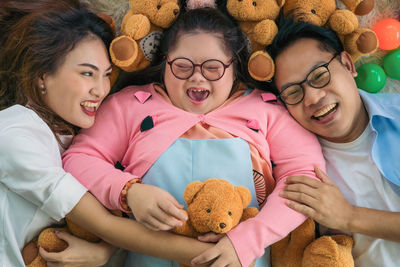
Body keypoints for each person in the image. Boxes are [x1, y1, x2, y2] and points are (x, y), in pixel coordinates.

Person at [63, 8, 326, 267]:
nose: (197, 76)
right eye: (182, 66)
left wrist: (250, 239)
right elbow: (78, 159)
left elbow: (305, 177)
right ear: (165, 63)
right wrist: (129, 192)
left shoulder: (268, 111)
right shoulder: (129, 105)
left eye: (213, 68)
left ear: (234, 66)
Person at [0, 1, 214, 266]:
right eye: (87, 73)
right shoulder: (14, 134)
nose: (100, 90)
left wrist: (104, 251)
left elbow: (107, 222)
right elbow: (104, 223)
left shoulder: (72, 137)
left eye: (106, 75)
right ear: (42, 75)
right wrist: (225, 253)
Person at [268, 20, 400, 266]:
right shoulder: (295, 168)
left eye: (319, 75)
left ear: (348, 65)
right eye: (294, 93)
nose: (313, 98)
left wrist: (349, 217)